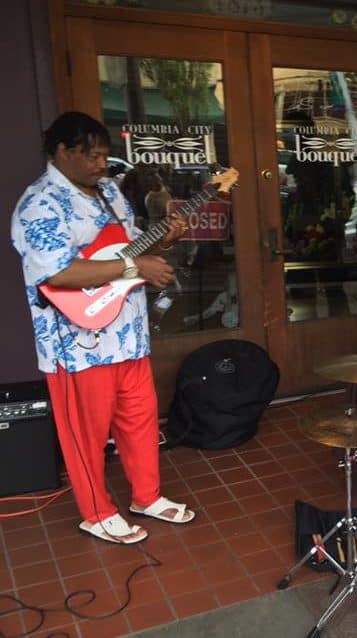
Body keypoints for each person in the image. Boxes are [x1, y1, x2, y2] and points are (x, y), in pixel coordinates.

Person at [10, 111, 195, 544]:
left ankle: (146, 497)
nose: (100, 164)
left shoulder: (109, 190)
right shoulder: (38, 203)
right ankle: (95, 513)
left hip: (128, 334)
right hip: (77, 343)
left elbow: (128, 246)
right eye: (90, 156)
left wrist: (164, 238)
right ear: (61, 152)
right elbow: (56, 274)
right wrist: (136, 265)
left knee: (140, 420)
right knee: (86, 435)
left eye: (104, 155)